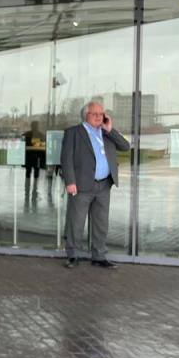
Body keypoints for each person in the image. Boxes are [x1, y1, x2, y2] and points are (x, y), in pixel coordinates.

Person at [60, 101, 130, 269]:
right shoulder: (74, 133)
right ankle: (73, 255)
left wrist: (110, 129)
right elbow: (66, 159)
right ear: (86, 115)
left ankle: (99, 256)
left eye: (101, 114)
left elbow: (125, 146)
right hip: (82, 185)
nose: (99, 116)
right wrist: (70, 181)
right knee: (76, 222)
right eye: (95, 113)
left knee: (101, 223)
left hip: (104, 185)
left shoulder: (106, 133)